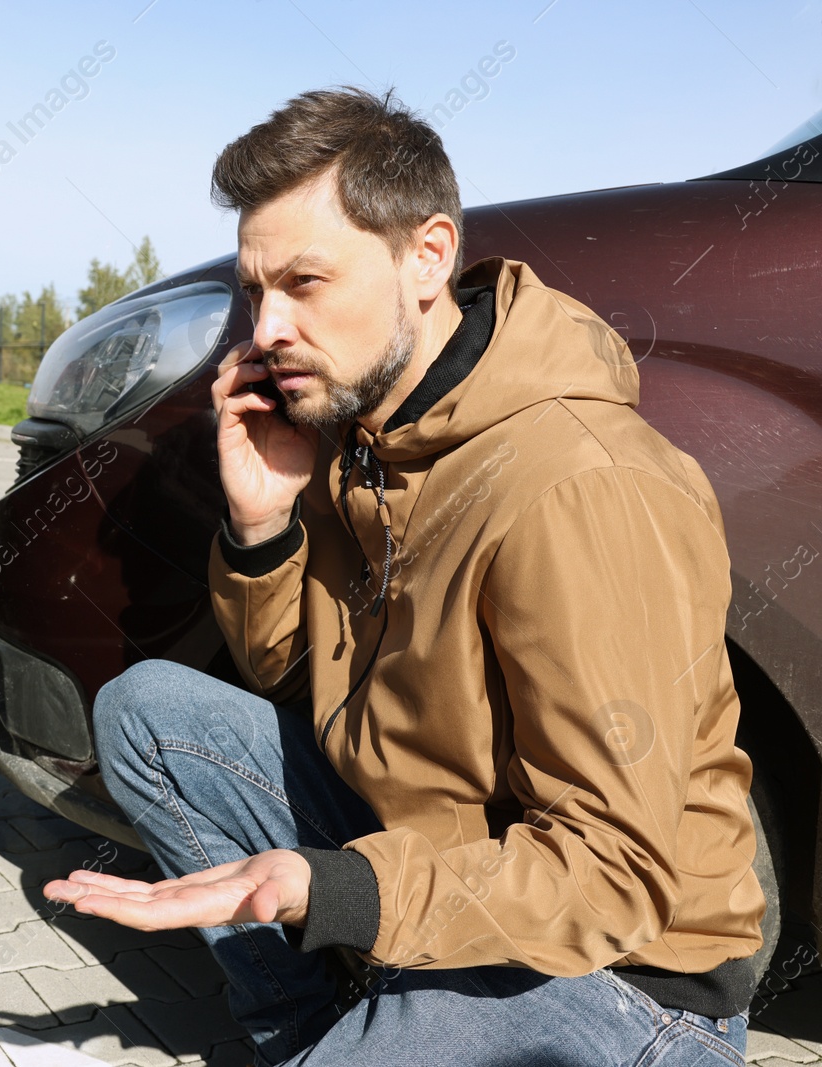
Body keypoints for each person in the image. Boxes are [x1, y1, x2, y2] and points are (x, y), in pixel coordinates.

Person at [43, 86, 762, 1066]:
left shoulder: (580, 484)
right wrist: (260, 524)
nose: (265, 328)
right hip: (434, 859)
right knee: (149, 712)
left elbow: (615, 870)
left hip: (617, 974)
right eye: (256, 291)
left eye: (303, 282)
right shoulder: (364, 432)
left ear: (425, 257)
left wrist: (329, 887)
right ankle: (307, 1034)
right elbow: (299, 681)